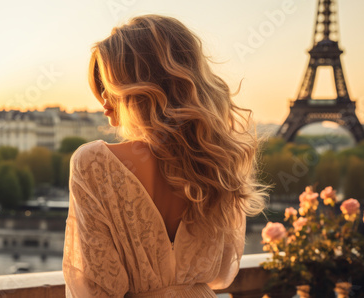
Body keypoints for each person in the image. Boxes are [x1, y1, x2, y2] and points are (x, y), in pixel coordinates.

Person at [62, 14, 268, 297]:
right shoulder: (220, 159)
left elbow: (96, 288)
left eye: (109, 87)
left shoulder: (92, 163)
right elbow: (222, 271)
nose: (104, 101)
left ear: (138, 88)